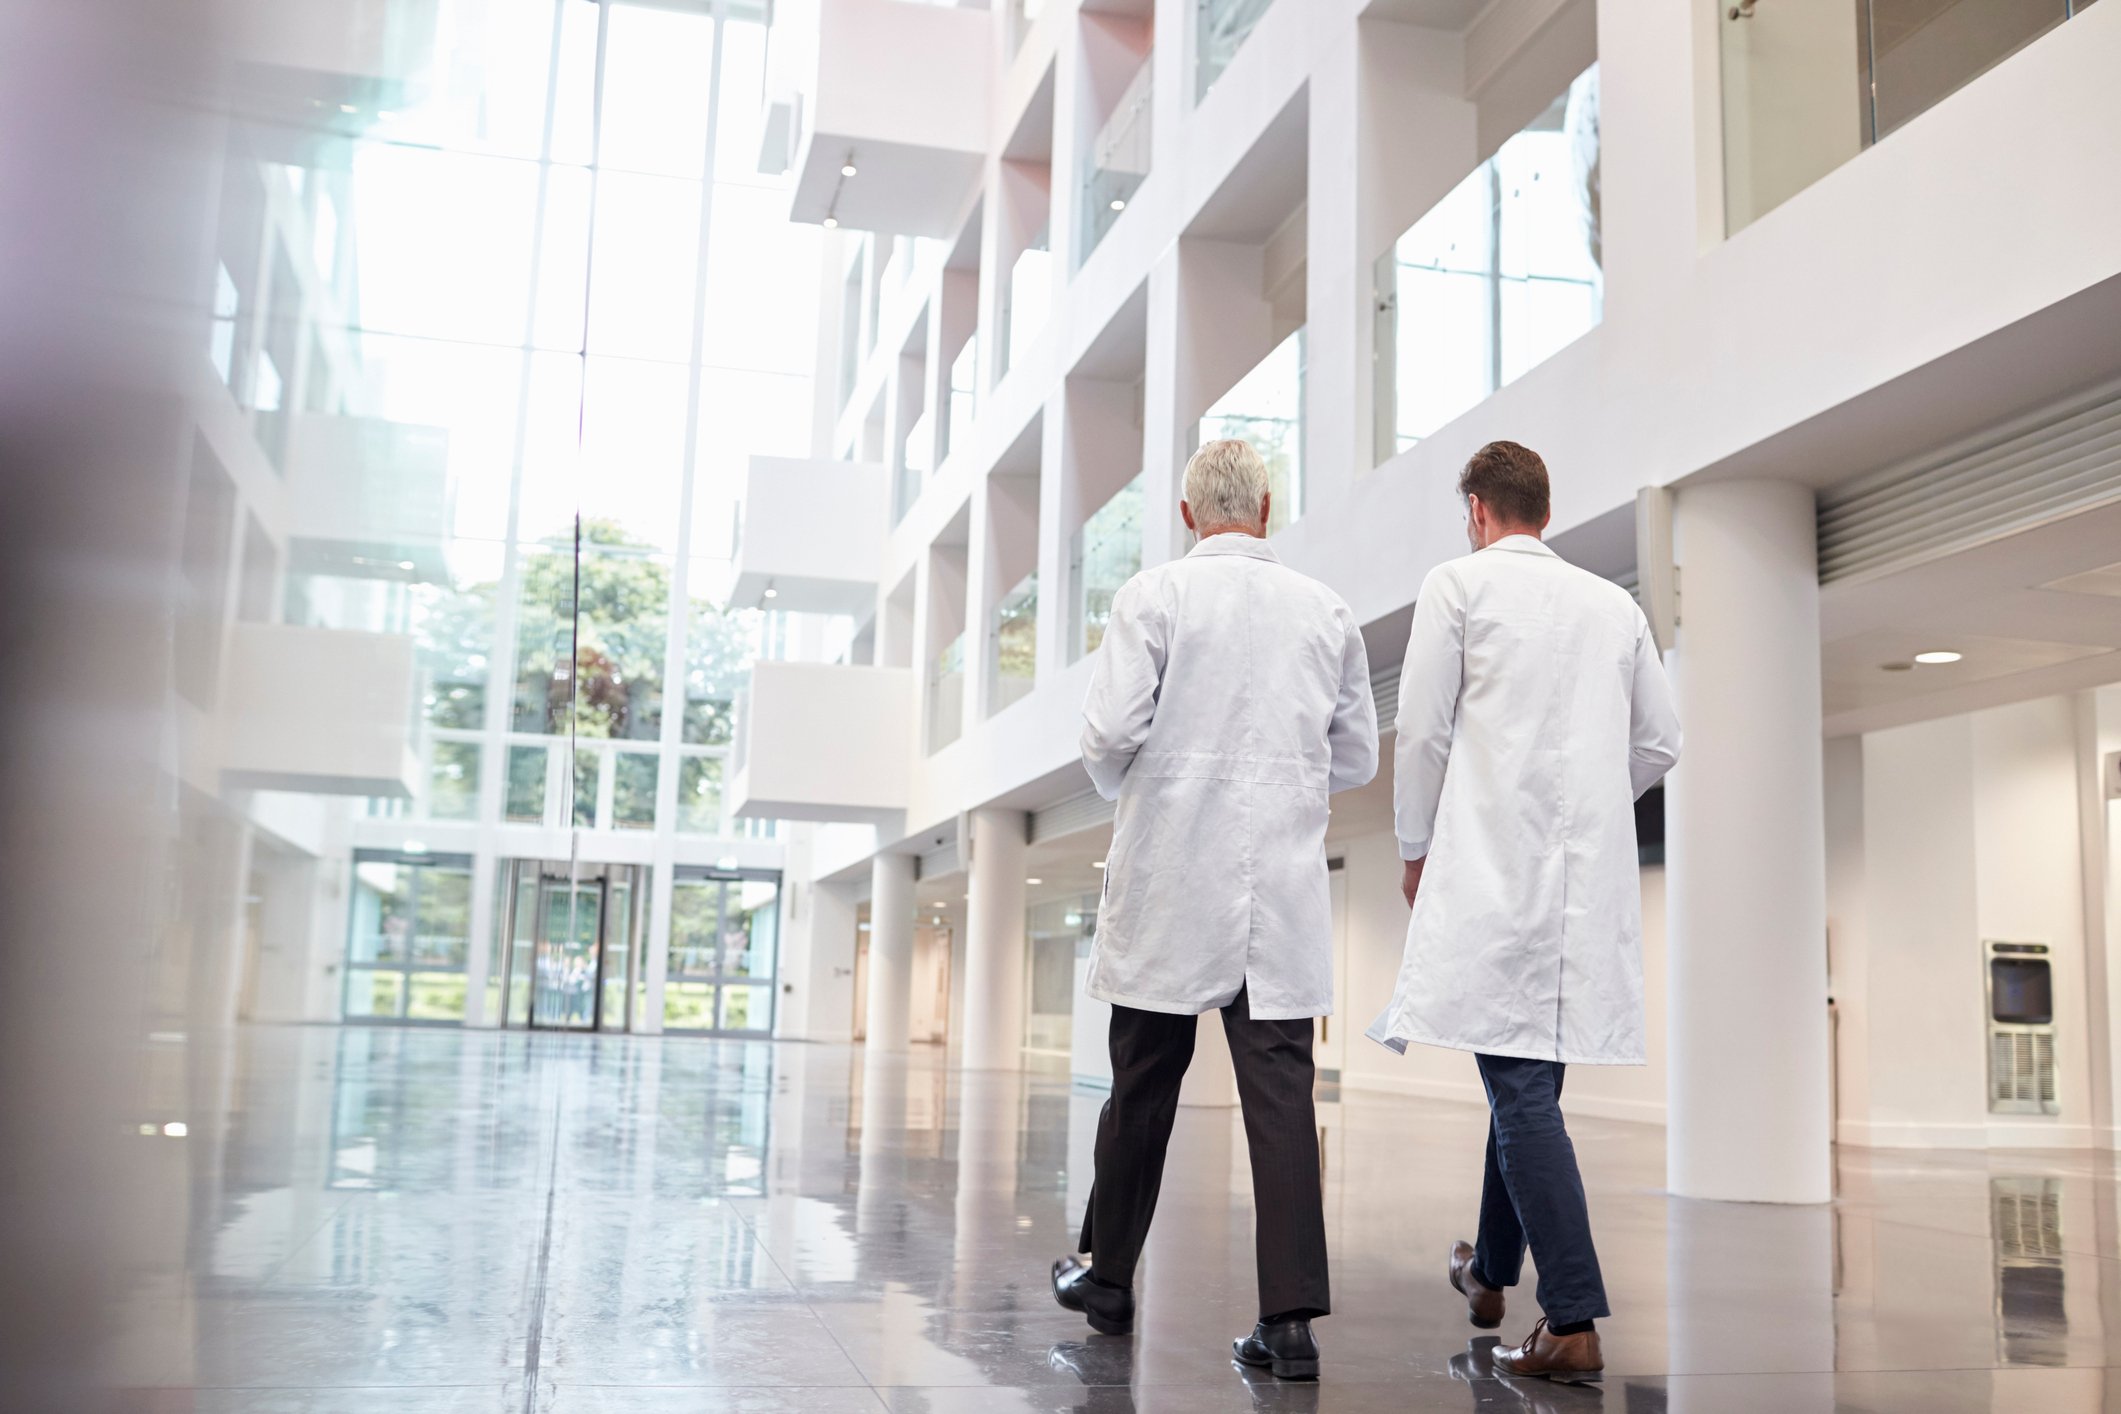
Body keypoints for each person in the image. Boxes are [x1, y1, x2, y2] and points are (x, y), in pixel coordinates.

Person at [1050, 439, 1378, 1382]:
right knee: (1280, 1103)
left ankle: (1107, 1279)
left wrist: (1144, 788)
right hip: (1277, 892)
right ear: (1266, 510)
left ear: (1189, 515)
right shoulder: (1325, 611)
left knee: (1141, 1088)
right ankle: (1288, 1325)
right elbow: (1353, 754)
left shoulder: (1152, 597)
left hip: (1169, 881)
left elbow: (1109, 733)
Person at [1366, 440, 1680, 1386]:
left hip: (1492, 874)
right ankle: (1490, 1272)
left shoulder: (1457, 586)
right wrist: (1583, 805)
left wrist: (1415, 845)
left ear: (1475, 509)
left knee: (1518, 1090)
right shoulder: (1613, 604)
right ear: (1541, 508)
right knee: (1524, 1082)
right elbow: (1660, 742)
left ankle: (1572, 1318)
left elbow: (1420, 729)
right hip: (1580, 887)